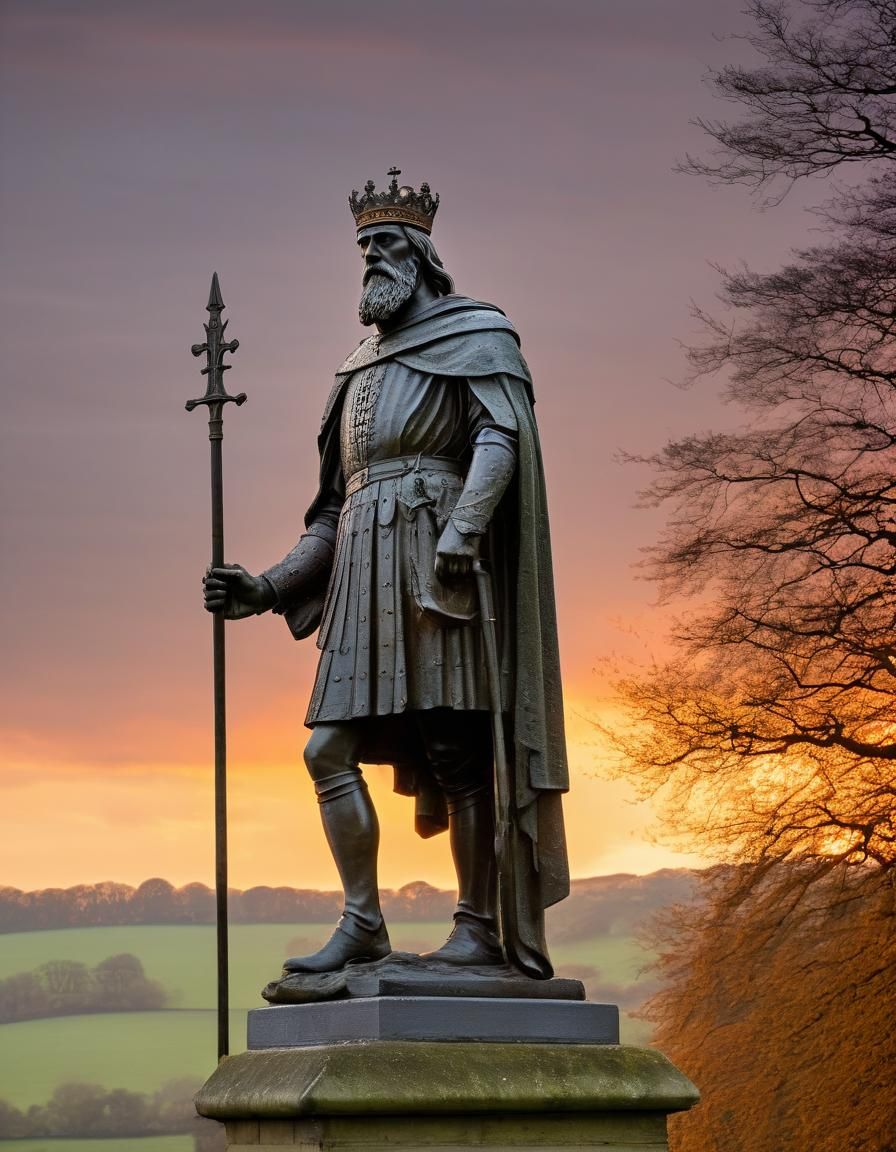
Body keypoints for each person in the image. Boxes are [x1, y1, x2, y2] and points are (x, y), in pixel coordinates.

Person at [203, 170, 569, 979]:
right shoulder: (356, 371)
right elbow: (333, 510)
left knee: (459, 747)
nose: (372, 258)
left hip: (441, 563)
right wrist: (266, 587)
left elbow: (498, 440)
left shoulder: (480, 336)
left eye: (387, 244)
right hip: (362, 581)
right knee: (326, 752)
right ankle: (363, 924)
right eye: (364, 247)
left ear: (423, 256)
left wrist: (465, 527)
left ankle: (477, 928)